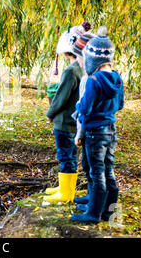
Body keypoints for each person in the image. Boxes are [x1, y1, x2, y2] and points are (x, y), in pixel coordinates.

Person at [71, 27, 124, 223]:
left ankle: (93, 214)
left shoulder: (93, 81)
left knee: (97, 172)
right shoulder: (117, 78)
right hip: (111, 130)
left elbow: (85, 108)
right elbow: (120, 105)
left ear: (93, 58)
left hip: (95, 133)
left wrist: (78, 104)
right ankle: (109, 212)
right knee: (109, 171)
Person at [43, 26, 84, 203]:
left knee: (65, 155)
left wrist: (50, 113)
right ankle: (64, 187)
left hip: (64, 121)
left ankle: (66, 192)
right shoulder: (84, 69)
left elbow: (61, 97)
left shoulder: (71, 71)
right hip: (75, 121)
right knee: (69, 154)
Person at [70, 32, 95, 209]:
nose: (77, 61)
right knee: (87, 164)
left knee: (94, 166)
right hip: (89, 129)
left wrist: (80, 133)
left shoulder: (89, 79)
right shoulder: (89, 78)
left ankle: (95, 202)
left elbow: (85, 109)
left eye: (79, 57)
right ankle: (91, 195)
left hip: (89, 130)